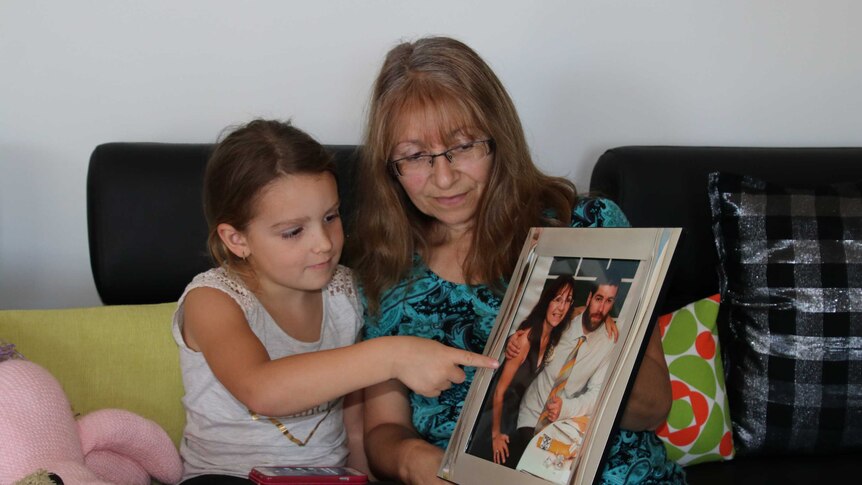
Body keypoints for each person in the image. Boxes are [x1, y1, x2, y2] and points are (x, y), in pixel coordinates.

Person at [352, 36, 685, 484]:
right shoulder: (386, 274)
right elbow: (382, 429)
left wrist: (578, 349)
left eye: (464, 145)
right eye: (415, 156)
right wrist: (413, 459)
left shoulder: (586, 227)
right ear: (388, 166)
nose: (445, 177)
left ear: (499, 138)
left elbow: (654, 408)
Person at [171, 119, 498, 484]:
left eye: (331, 217)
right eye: (293, 231)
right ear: (236, 239)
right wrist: (393, 355)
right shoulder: (212, 299)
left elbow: (354, 423)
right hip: (227, 477)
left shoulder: (345, 293)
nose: (324, 243)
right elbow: (260, 389)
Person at [510, 273, 622, 465]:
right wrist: (514, 337)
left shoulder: (609, 343)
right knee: (529, 460)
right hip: (530, 413)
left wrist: (566, 409)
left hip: (561, 424)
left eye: (609, 301)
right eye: (598, 299)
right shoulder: (563, 320)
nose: (601, 308)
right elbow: (533, 324)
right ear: (588, 299)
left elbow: (597, 394)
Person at [468, 274, 578, 466]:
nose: (561, 307)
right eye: (557, 299)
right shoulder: (524, 338)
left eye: (567, 301)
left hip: (514, 418)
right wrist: (495, 435)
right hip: (493, 416)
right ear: (547, 301)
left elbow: (580, 311)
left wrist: (606, 320)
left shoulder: (551, 337)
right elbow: (499, 392)